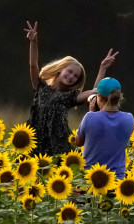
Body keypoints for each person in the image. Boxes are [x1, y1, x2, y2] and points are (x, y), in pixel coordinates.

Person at [24, 21, 118, 156]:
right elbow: (33, 65)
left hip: (58, 146)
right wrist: (33, 42)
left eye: (75, 76)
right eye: (69, 72)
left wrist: (102, 68)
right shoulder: (41, 87)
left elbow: (96, 92)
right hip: (35, 142)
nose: (71, 76)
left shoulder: (71, 96)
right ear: (60, 69)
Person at [75, 78, 134, 179]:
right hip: (117, 179)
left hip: (90, 178)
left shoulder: (90, 117)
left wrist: (92, 112)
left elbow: (78, 141)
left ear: (99, 98)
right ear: (119, 97)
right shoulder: (129, 118)